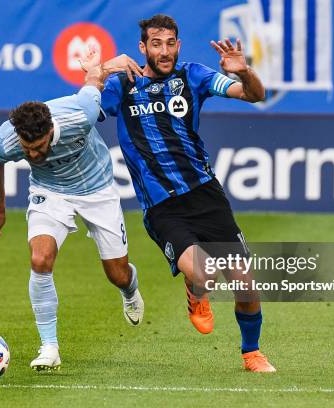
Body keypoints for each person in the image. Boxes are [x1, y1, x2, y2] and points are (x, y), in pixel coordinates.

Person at [99, 14, 275, 372]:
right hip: (163, 207)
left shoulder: (193, 76)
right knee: (204, 272)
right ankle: (197, 293)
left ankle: (251, 352)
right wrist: (101, 70)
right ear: (143, 48)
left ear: (178, 45)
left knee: (245, 284)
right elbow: (85, 107)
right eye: (156, 44)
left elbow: (255, 96)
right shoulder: (123, 84)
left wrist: (243, 71)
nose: (164, 52)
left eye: (170, 44)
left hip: (205, 195)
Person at [0, 49, 145, 371]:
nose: (32, 154)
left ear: (50, 131)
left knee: (117, 274)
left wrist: (106, 65)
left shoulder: (80, 114)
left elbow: (93, 80)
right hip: (49, 192)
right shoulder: (8, 140)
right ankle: (49, 347)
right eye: (27, 149)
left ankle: (130, 290)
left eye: (39, 147)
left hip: (97, 189)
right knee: (40, 259)